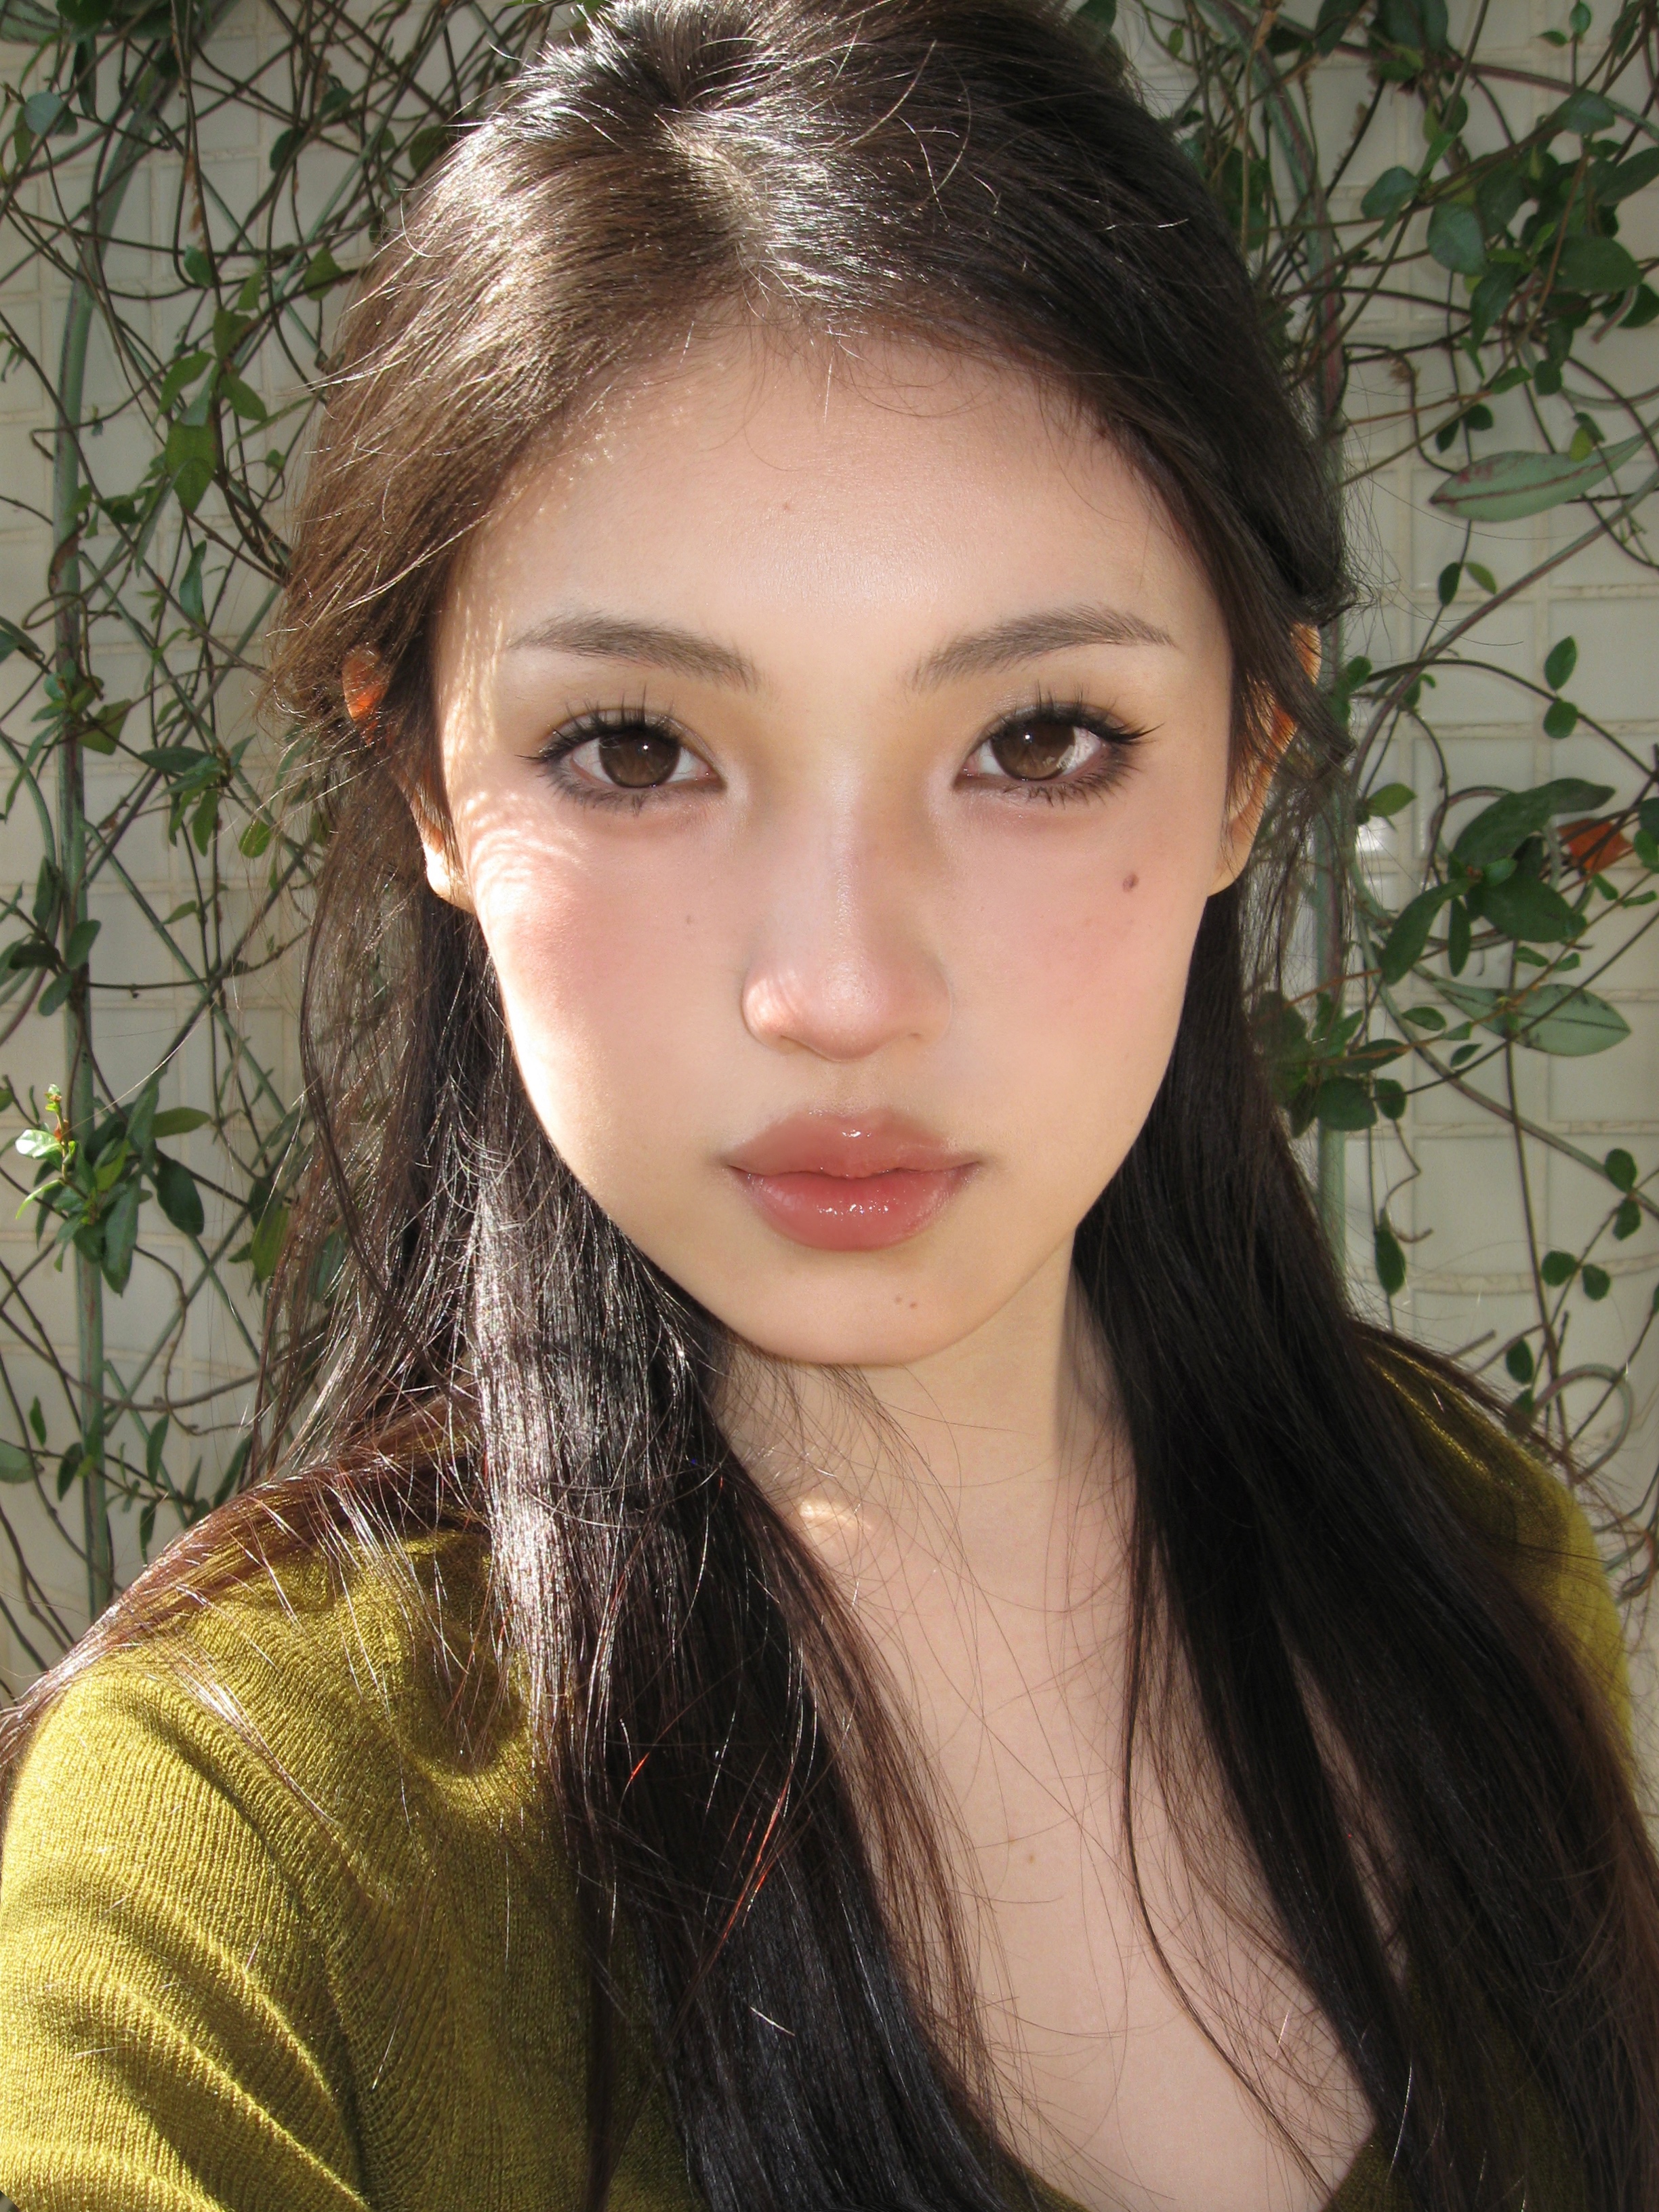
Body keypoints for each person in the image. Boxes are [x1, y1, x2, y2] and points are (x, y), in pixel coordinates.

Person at [0, 2, 1654, 2207]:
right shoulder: (251, 1854)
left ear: (1253, 763)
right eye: (635, 749)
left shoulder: (1472, 1565)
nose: (842, 994)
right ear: (429, 789)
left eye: (1040, 741)